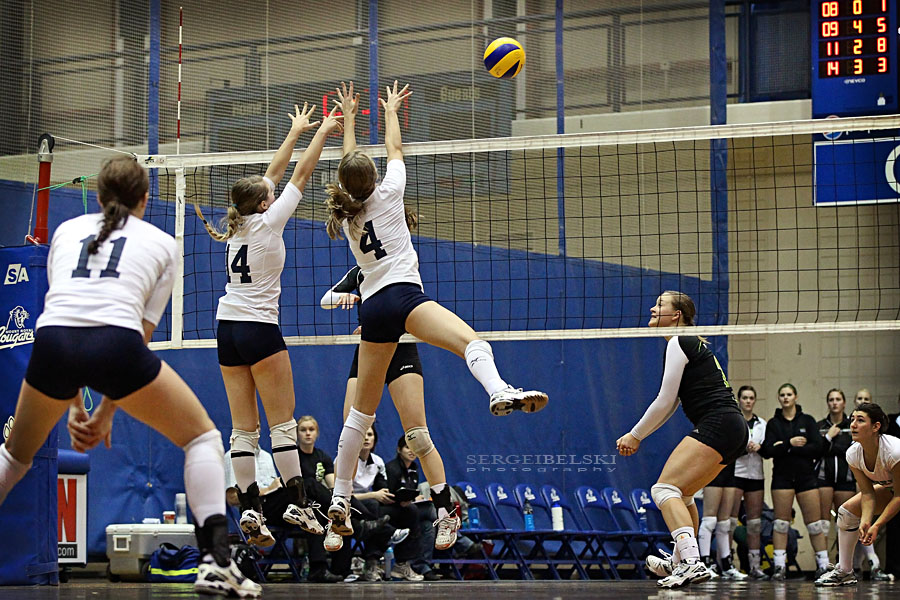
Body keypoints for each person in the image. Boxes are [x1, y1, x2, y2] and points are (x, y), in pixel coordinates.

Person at [0, 156, 260, 597]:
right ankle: (216, 562)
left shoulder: (66, 231)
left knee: (14, 457)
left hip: (52, 343)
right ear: (144, 199)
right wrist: (104, 414)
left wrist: (67, 402)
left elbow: (68, 316)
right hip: (116, 342)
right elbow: (134, 338)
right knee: (202, 440)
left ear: (100, 197)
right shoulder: (162, 243)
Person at [322, 80, 548, 550]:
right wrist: (390, 111)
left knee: (358, 419)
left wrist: (345, 120)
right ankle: (499, 389)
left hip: (376, 309)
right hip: (405, 297)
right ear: (373, 182)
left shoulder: (347, 215)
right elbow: (394, 148)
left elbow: (351, 170)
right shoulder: (390, 195)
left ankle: (339, 501)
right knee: (473, 343)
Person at [198, 102, 342, 546]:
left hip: (227, 330)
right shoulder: (269, 223)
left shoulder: (240, 224)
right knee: (282, 425)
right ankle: (298, 501)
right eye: (268, 195)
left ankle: (250, 512)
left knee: (244, 430)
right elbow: (298, 175)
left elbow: (273, 175)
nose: (273, 195)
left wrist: (296, 129)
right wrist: (324, 133)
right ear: (265, 203)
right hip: (260, 330)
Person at [615, 291, 748, 589]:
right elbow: (673, 402)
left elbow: (664, 400)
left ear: (676, 315)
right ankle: (681, 560)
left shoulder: (679, 340)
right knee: (683, 494)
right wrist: (640, 435)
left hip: (720, 422)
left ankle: (690, 562)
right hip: (733, 427)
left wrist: (634, 436)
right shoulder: (690, 342)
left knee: (664, 490)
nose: (652, 307)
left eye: (660, 304)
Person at [815, 403, 900, 586]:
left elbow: (899, 497)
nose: (853, 424)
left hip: (897, 493)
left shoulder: (894, 451)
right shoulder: (853, 453)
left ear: (876, 427)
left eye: (860, 420)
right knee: (846, 513)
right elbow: (868, 493)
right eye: (852, 419)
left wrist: (876, 525)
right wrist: (865, 521)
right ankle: (845, 571)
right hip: (891, 489)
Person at [758, 383, 828, 580]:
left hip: (806, 478)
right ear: (779, 398)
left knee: (815, 525)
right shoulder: (774, 423)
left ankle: (823, 566)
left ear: (795, 396)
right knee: (781, 523)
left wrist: (786, 447)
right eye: (782, 395)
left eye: (789, 394)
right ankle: (779, 567)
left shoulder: (808, 420)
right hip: (782, 478)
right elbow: (768, 451)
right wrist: (790, 443)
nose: (786, 398)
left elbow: (817, 448)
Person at [385, 434, 441, 581]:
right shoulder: (392, 468)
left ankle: (422, 565)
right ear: (399, 449)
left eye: (414, 448)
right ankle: (455, 535)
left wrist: (414, 498)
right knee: (430, 510)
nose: (411, 451)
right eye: (407, 447)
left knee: (428, 525)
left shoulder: (415, 469)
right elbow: (388, 493)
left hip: (409, 509)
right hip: (394, 509)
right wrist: (401, 501)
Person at [728, 385, 767, 579]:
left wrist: (759, 447)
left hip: (756, 476)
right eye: (745, 398)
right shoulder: (734, 421)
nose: (748, 401)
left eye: (751, 398)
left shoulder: (763, 424)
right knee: (730, 521)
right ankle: (728, 564)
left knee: (754, 523)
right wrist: (744, 448)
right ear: (739, 400)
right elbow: (729, 446)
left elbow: (768, 449)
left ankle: (755, 566)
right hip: (737, 473)